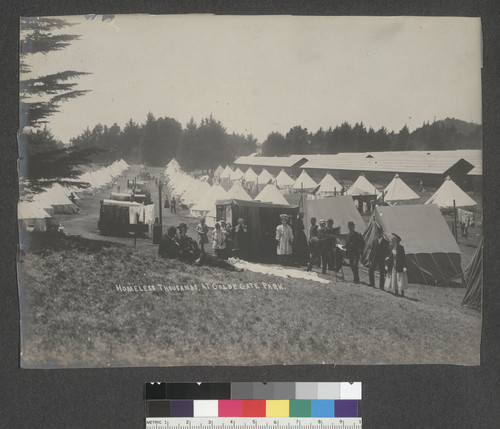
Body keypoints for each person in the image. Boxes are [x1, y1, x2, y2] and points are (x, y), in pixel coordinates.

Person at [173, 223, 242, 271]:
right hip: (193, 257)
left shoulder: (187, 237)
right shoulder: (179, 238)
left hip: (198, 254)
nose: (186, 230)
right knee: (214, 260)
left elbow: (194, 246)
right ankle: (233, 268)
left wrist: (193, 244)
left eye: (186, 229)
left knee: (215, 259)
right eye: (184, 229)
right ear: (181, 229)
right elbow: (182, 250)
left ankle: (233, 267)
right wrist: (194, 258)